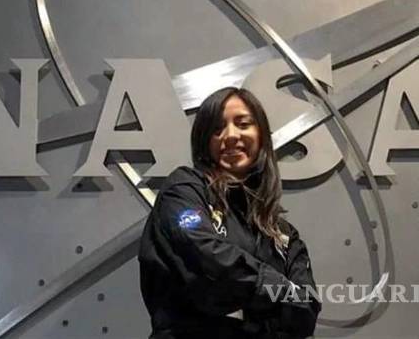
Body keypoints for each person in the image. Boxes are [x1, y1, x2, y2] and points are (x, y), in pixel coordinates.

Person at [138, 87, 322, 338]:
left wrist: (247, 299)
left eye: (243, 124)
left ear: (261, 136)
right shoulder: (184, 190)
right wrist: (276, 291)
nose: (231, 135)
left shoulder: (283, 233)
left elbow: (306, 311)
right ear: (204, 141)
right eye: (217, 129)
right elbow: (207, 258)